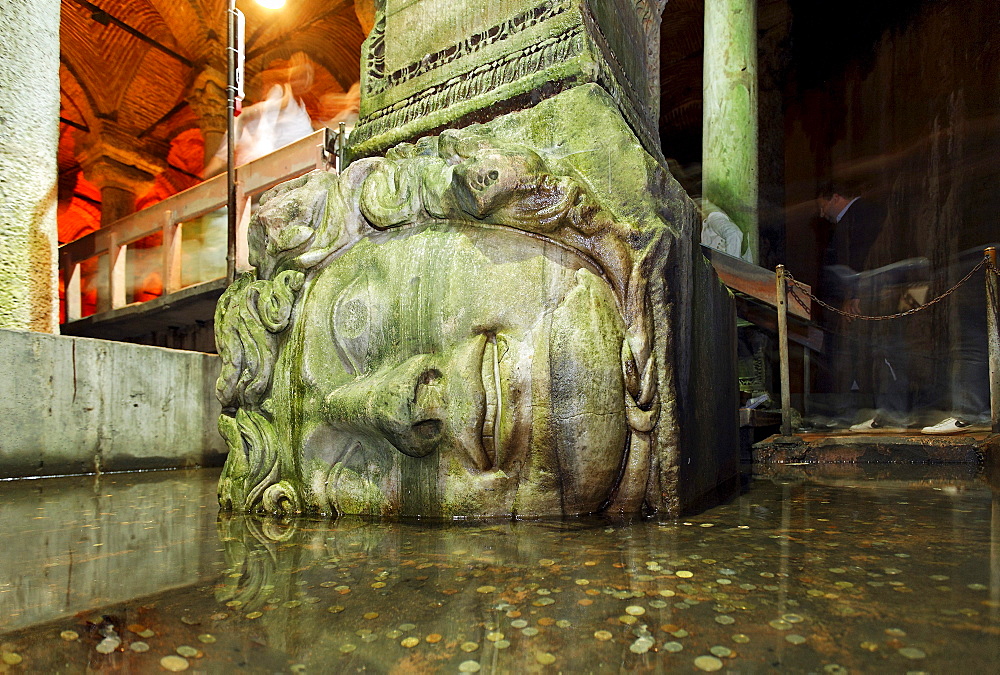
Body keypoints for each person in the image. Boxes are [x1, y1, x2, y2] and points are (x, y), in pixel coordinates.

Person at [815, 181, 912, 430]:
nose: (822, 213)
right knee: (863, 355)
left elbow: (861, 255)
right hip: (866, 295)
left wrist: (854, 294)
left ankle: (890, 413)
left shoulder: (862, 215)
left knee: (884, 351)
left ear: (835, 197)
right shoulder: (857, 217)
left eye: (823, 205)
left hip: (872, 296)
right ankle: (865, 412)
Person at [921, 243, 997, 434]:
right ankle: (971, 411)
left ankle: (966, 413)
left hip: (976, 258)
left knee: (970, 347)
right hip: (975, 257)